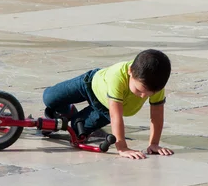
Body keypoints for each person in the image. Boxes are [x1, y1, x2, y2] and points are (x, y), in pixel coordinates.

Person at [43, 49, 174, 160]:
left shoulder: (155, 85)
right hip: (89, 85)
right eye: (139, 90)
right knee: (49, 98)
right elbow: (116, 116)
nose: (143, 96)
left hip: (103, 109)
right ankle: (67, 110)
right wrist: (122, 147)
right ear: (130, 71)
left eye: (149, 94)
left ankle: (73, 116)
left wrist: (154, 144)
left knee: (77, 131)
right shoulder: (117, 76)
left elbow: (156, 116)